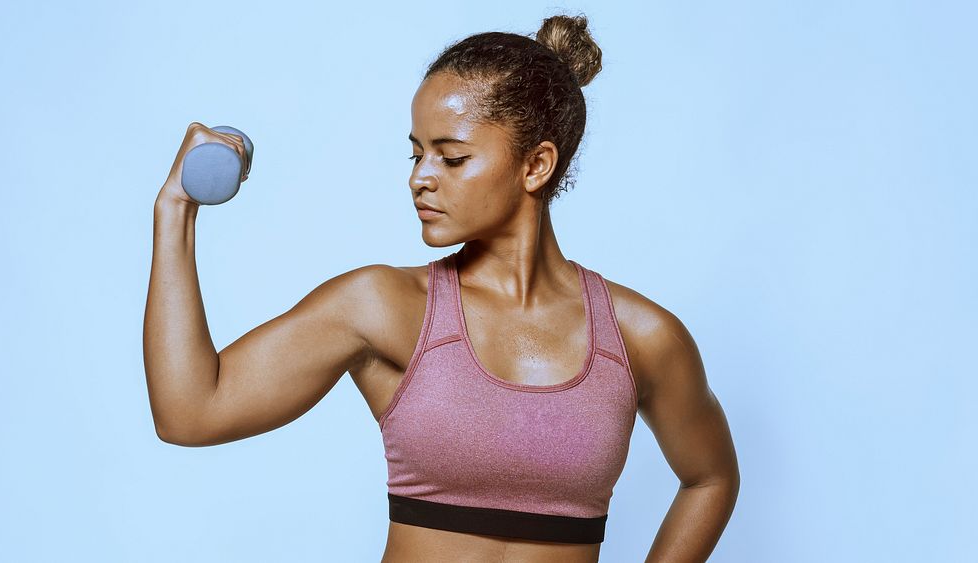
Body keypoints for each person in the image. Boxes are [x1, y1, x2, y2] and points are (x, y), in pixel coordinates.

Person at [144, 13, 739, 563]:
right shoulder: (383, 307)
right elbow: (191, 413)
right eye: (416, 153)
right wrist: (175, 211)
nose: (419, 179)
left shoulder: (640, 337)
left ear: (536, 165)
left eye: (451, 159)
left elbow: (710, 477)